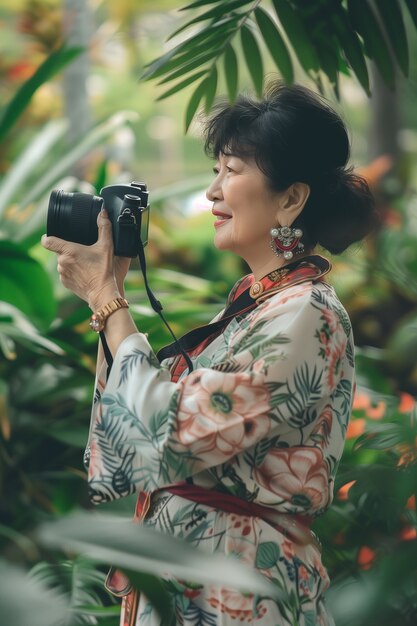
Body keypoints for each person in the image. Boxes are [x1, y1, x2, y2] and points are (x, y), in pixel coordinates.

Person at [42, 81, 378, 626]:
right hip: (201, 581)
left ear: (291, 198)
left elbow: (168, 434)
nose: (213, 193)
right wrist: (108, 295)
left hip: (239, 588)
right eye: (215, 172)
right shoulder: (253, 310)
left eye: (232, 170)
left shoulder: (304, 313)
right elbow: (125, 437)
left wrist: (108, 299)